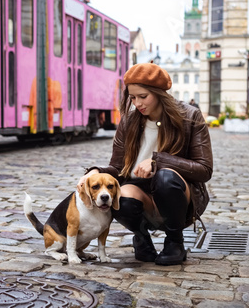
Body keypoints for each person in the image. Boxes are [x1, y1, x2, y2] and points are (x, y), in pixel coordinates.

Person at [78, 62, 213, 265]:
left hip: (177, 194)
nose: (137, 103)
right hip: (141, 193)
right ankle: (142, 239)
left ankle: (175, 243)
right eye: (133, 97)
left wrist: (158, 160)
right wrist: (96, 171)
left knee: (165, 177)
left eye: (143, 96)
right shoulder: (129, 121)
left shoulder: (190, 116)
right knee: (117, 194)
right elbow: (117, 169)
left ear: (159, 93)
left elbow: (204, 170)